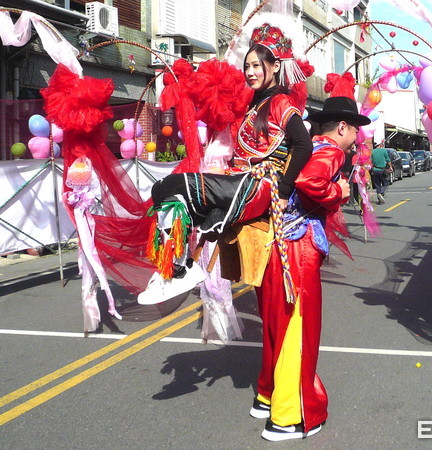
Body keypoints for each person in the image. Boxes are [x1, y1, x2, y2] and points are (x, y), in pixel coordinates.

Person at [138, 23, 314, 305]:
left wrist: (282, 192)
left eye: (257, 65)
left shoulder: (280, 102)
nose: (251, 72)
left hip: (259, 187)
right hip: (245, 182)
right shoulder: (256, 105)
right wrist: (227, 171)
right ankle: (176, 268)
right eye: (248, 66)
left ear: (276, 66)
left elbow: (303, 145)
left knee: (168, 187)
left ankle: (178, 269)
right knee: (178, 198)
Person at [250, 95, 370, 441]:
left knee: (276, 324)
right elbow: (309, 183)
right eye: (355, 132)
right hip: (298, 252)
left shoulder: (308, 147)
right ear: (343, 128)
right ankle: (288, 417)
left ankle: (267, 395)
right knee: (299, 331)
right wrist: (339, 190)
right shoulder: (331, 152)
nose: (356, 139)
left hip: (278, 244)